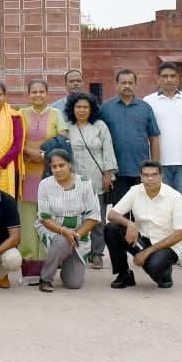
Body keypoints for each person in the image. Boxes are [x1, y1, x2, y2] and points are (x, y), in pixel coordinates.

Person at [144, 62, 182, 266]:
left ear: (178, 78)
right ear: (157, 78)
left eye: (172, 76)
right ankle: (158, 250)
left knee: (181, 209)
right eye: (164, 76)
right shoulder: (149, 101)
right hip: (159, 165)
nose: (168, 79)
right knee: (158, 209)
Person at [104, 160, 182, 289]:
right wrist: (130, 224)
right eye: (146, 175)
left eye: (154, 174)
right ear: (141, 177)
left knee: (154, 266)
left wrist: (147, 252)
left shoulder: (175, 197)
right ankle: (124, 274)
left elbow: (179, 234)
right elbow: (112, 215)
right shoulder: (135, 190)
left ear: (161, 176)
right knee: (111, 228)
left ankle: (165, 272)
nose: (150, 178)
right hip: (141, 239)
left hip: (166, 245)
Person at [18, 79, 70, 276]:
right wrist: (28, 152)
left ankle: (52, 260)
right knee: (29, 217)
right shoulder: (21, 114)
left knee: (50, 216)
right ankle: (30, 263)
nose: (38, 95)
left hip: (50, 173)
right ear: (28, 94)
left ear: (47, 94)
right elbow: (15, 140)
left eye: (41, 92)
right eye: (34, 92)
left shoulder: (56, 114)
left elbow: (63, 140)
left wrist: (43, 154)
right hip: (27, 174)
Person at [63, 91, 117, 269]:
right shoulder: (68, 127)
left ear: (92, 109)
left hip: (97, 178)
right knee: (75, 217)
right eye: (78, 107)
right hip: (74, 179)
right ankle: (77, 252)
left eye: (85, 107)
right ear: (72, 108)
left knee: (98, 219)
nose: (82, 110)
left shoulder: (99, 126)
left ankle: (97, 253)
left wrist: (108, 174)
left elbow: (108, 150)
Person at [34, 149, 101, 292]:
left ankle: (63, 260)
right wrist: (64, 231)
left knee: (74, 284)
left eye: (62, 165)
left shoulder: (85, 183)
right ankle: (46, 278)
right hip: (52, 228)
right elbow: (44, 218)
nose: (58, 170)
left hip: (79, 232)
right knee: (61, 241)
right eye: (54, 167)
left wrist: (76, 235)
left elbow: (93, 217)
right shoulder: (45, 184)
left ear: (70, 164)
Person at [99, 70, 161, 199]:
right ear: (116, 85)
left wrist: (154, 166)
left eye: (130, 83)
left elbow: (154, 138)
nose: (127, 85)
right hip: (116, 169)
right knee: (120, 210)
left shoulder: (145, 108)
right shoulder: (106, 108)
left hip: (140, 169)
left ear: (135, 85)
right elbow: (99, 138)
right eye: (123, 83)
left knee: (141, 210)